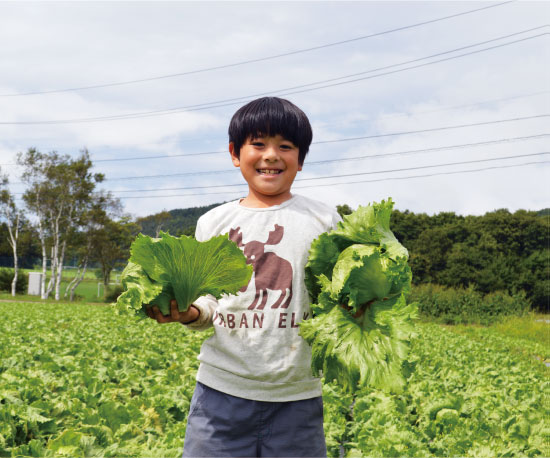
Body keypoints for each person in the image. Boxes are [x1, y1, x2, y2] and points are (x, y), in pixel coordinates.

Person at [146, 96, 341, 457]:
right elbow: (207, 301)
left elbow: (340, 298)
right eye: (258, 144)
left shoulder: (324, 221)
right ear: (235, 153)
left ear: (301, 158)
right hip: (220, 395)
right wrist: (189, 313)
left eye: (285, 146)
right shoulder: (214, 223)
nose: (271, 155)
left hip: (297, 397)